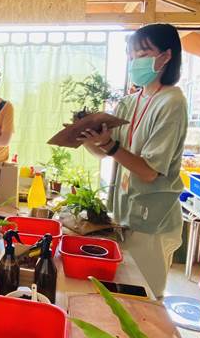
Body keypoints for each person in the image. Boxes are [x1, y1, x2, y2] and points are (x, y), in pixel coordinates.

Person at [78, 24, 187, 298]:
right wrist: (88, 137)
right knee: (121, 291)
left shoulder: (171, 101)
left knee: (145, 297)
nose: (135, 60)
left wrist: (109, 144)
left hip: (153, 217)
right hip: (123, 212)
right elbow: (107, 153)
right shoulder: (129, 103)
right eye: (131, 54)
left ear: (166, 56)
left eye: (143, 53)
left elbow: (149, 172)